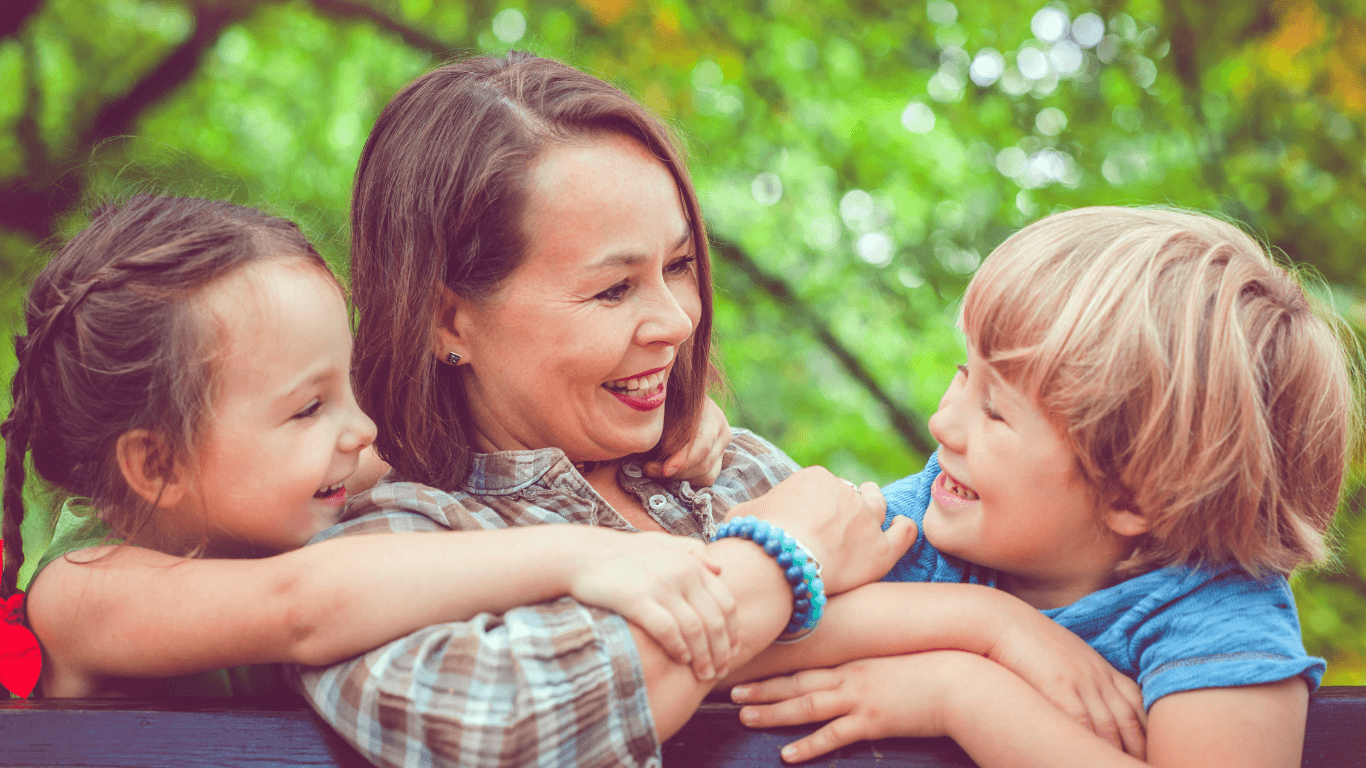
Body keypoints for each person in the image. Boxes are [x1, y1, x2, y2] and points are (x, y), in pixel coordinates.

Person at [289, 51, 922, 768]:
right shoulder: (386, 544)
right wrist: (777, 559)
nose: (677, 322)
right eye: (613, 289)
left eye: (678, 266)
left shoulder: (736, 471)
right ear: (448, 321)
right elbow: (505, 735)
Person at [0, 194, 756, 700]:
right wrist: (583, 554)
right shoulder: (82, 594)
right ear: (157, 465)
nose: (360, 430)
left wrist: (662, 427)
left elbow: (459, 438)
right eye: (309, 407)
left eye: (348, 389)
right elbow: (302, 605)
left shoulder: (290, 480)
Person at [730, 207, 1358, 768]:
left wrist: (961, 695)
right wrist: (987, 625)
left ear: (1130, 496)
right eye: (963, 375)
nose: (942, 423)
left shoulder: (1215, 615)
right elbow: (727, 642)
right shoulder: (925, 520)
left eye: (995, 411)